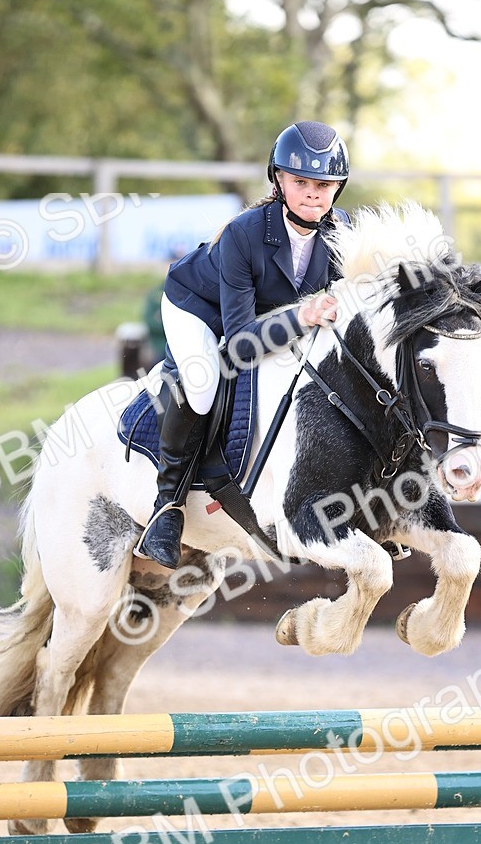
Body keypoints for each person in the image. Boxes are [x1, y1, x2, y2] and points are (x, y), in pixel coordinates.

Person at [134, 119, 351, 569]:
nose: (313, 193)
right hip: (199, 308)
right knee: (203, 381)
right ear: (279, 180)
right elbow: (240, 346)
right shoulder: (243, 233)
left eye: (324, 184)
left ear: (338, 189)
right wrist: (303, 315)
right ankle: (167, 506)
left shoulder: (340, 234)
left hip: (269, 317)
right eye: (301, 181)